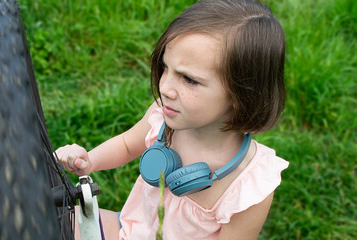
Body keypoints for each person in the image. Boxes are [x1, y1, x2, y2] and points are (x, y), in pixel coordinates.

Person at [56, 0, 289, 239]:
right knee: (57, 222)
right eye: (165, 67)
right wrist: (88, 161)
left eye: (189, 79)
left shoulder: (249, 184)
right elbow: (126, 145)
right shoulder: (162, 119)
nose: (165, 87)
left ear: (243, 94)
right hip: (129, 230)